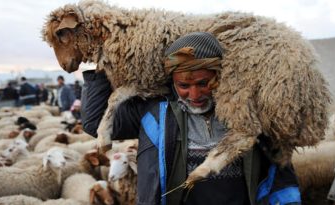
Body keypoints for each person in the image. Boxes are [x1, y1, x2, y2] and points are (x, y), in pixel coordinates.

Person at [81, 32, 301, 205]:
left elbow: (279, 165)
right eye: (184, 85)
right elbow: (93, 123)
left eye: (204, 83)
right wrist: (101, 65)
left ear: (220, 76)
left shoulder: (248, 113)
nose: (194, 95)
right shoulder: (153, 111)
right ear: (172, 81)